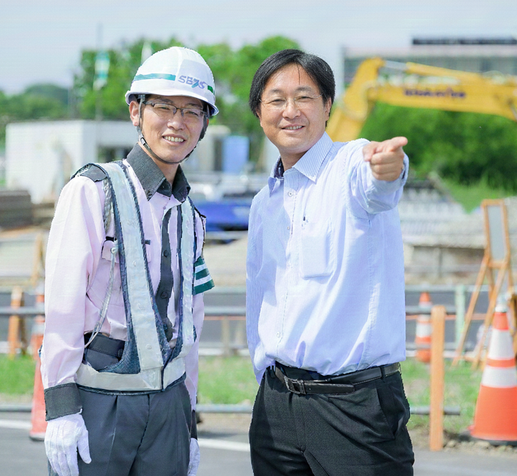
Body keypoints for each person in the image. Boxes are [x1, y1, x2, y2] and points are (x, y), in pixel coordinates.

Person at [40, 46, 217, 476]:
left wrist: (189, 420)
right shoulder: (92, 191)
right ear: (136, 112)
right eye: (164, 107)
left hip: (169, 407)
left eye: (192, 111)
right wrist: (61, 408)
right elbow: (62, 306)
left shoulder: (190, 216)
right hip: (100, 400)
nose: (177, 123)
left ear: (204, 125)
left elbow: (190, 323)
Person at [245, 49, 414, 475]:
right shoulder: (265, 202)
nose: (290, 111)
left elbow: (377, 181)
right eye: (276, 100)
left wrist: (389, 167)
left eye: (304, 97)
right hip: (276, 406)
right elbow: (260, 295)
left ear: (327, 106)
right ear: (260, 114)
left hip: (354, 407)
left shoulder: (350, 166)